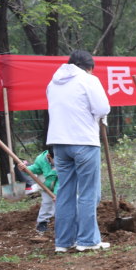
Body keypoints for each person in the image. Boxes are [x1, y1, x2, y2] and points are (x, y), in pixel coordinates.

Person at [46, 51, 111, 253]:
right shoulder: (89, 80)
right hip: (84, 141)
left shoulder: (53, 83)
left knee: (65, 192)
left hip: (59, 143)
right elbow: (102, 109)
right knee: (88, 192)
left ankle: (63, 242)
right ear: (90, 67)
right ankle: (87, 240)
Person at [18, 148, 58, 233]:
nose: (59, 161)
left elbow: (61, 179)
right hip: (46, 186)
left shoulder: (64, 160)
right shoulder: (40, 159)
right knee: (47, 203)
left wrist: (57, 194)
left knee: (66, 203)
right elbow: (36, 169)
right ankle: (42, 223)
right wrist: (25, 168)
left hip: (61, 187)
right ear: (49, 156)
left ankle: (69, 222)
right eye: (56, 159)